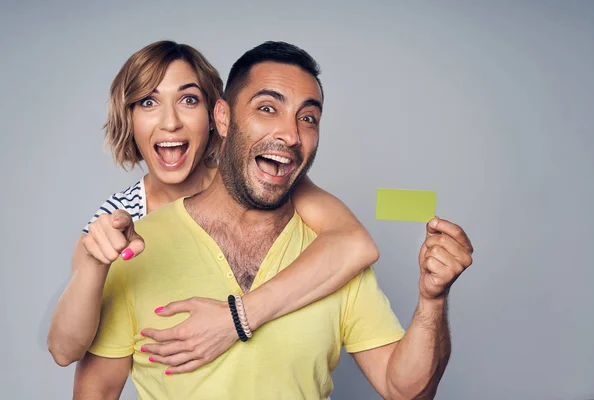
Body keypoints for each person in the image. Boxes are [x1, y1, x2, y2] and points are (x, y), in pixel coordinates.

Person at [73, 41, 474, 400]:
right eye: (268, 108)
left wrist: (432, 301)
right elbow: (93, 387)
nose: (291, 134)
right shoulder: (136, 245)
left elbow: (406, 391)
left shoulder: (332, 259)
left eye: (308, 118)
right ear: (224, 119)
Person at [47, 41, 380, 368]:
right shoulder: (117, 220)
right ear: (129, 119)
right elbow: (65, 351)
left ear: (216, 115)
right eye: (148, 102)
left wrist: (239, 318)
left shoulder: (257, 179)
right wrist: (94, 263)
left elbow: (354, 243)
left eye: (188, 100)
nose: (170, 122)